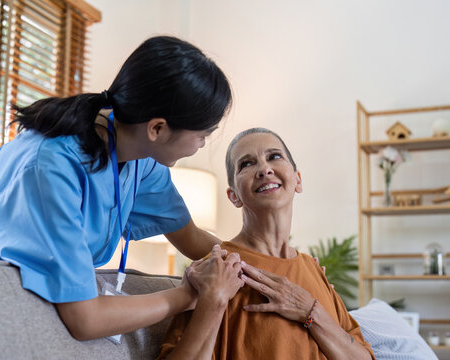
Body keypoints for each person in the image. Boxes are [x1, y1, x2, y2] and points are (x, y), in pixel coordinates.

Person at [0, 36, 242, 341]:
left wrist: (269, 271)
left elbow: (193, 238)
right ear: (157, 128)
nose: (202, 144)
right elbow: (85, 320)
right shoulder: (49, 168)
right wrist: (188, 295)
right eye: (203, 136)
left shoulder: (141, 162)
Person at [158, 128, 375, 359]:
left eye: (274, 156)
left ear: (297, 180)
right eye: (247, 164)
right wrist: (214, 302)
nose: (264, 169)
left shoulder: (313, 270)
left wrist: (310, 312)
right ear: (234, 196)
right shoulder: (212, 273)